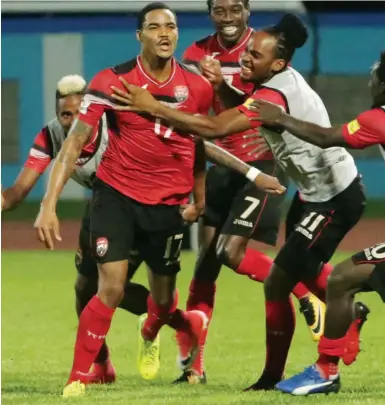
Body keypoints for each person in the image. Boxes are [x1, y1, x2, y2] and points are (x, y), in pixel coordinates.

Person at [33, 3, 285, 398]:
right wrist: (48, 204)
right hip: (114, 197)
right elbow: (76, 141)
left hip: (167, 207)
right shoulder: (112, 81)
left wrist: (199, 197)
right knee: (109, 288)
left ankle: (184, 325)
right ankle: (78, 378)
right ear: (140, 35)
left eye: (171, 26)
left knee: (164, 305)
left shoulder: (197, 87)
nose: (164, 33)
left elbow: (199, 142)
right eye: (154, 27)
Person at [111, 13, 370, 391]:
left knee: (279, 279)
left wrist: (152, 106)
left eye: (255, 56)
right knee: (293, 273)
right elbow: (249, 104)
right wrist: (223, 89)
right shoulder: (275, 84)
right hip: (314, 194)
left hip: (334, 197)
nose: (245, 59)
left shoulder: (273, 93)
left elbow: (214, 127)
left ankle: (315, 364)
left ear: (278, 63)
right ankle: (336, 324)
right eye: (247, 52)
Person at [247, 48, 385, 395]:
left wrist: (280, 118)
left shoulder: (382, 119)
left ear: (384, 85)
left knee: (341, 279)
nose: (370, 80)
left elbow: (326, 137)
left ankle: (325, 371)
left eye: (374, 76)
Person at [175, 0, 325, 384]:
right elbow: (201, 107)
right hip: (220, 165)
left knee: (230, 252)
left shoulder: (263, 50)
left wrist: (219, 88)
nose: (227, 18)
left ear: (247, 12)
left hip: (262, 166)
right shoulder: (196, 53)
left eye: (235, 10)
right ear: (210, 13)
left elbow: (258, 109)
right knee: (206, 263)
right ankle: (195, 367)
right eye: (219, 10)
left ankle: (305, 293)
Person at [2, 74, 150, 385]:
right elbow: (16, 193)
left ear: (89, 108)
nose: (71, 120)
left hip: (139, 203)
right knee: (85, 288)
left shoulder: (114, 122)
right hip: (101, 205)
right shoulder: (52, 135)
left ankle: (169, 320)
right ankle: (102, 365)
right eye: (64, 114)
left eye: (77, 112)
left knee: (112, 288)